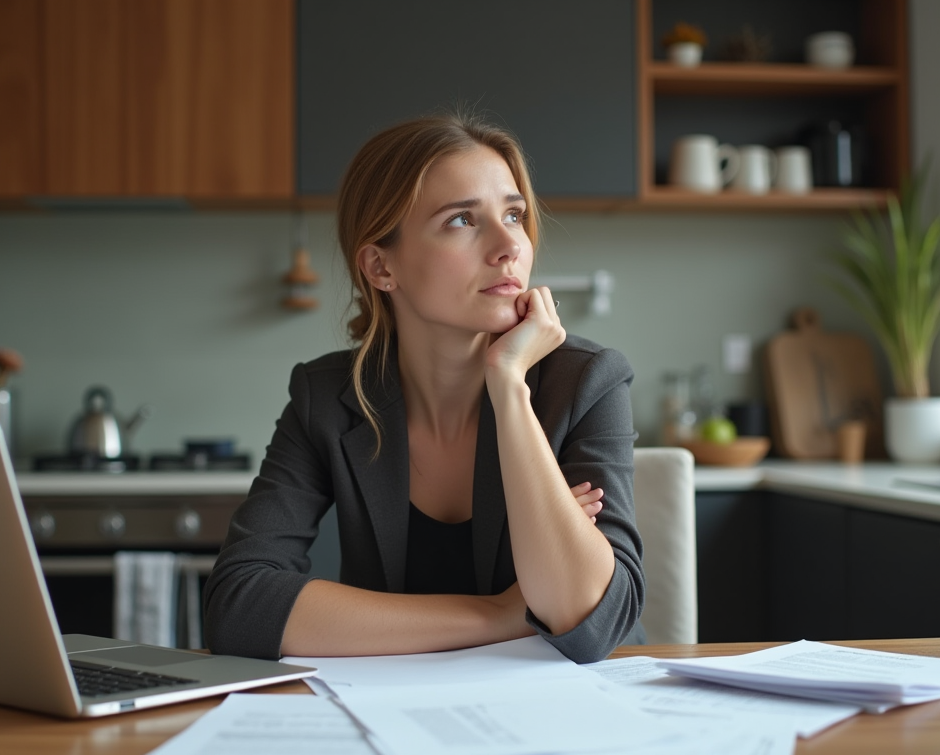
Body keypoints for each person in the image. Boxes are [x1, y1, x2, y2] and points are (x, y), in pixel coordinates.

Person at [203, 114, 644, 664]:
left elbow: (590, 623)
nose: (510, 245)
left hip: (571, 719)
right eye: (462, 219)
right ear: (381, 266)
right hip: (392, 717)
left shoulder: (585, 381)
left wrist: (508, 386)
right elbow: (240, 608)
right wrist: (501, 614)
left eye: (514, 214)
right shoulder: (328, 398)